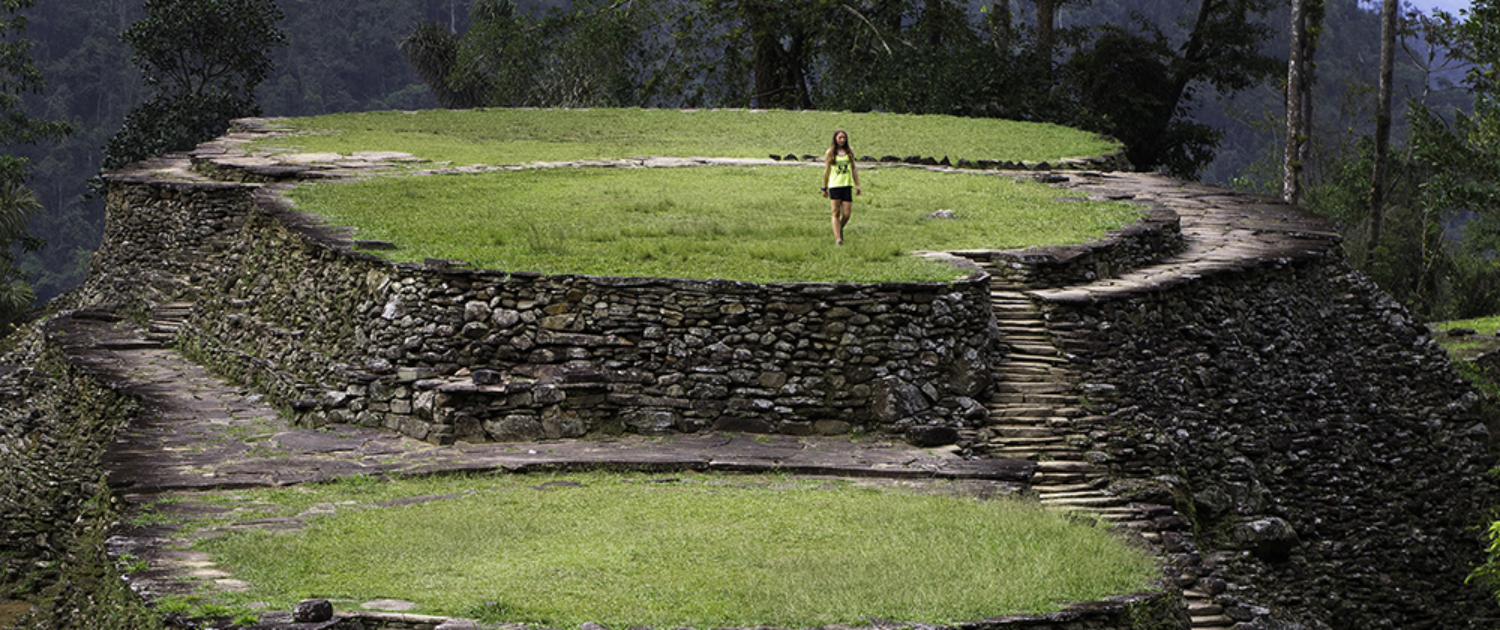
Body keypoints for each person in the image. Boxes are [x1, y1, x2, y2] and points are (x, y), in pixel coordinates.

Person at [821, 129, 861, 245]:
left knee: (847, 213)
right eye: (840, 137)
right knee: (836, 211)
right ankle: (838, 239)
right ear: (835, 139)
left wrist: (857, 184)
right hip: (835, 185)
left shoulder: (850, 151)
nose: (842, 140)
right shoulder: (830, 152)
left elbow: (853, 168)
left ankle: (838, 228)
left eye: (844, 137)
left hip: (847, 184)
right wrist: (824, 187)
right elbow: (826, 170)